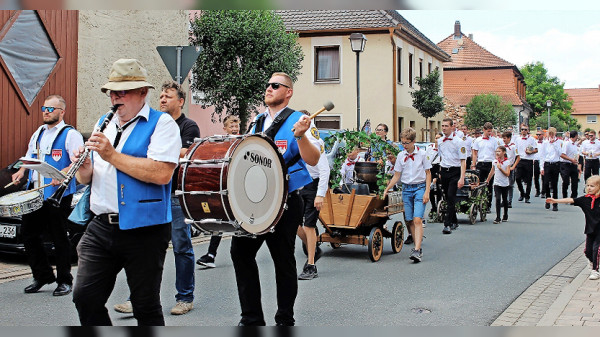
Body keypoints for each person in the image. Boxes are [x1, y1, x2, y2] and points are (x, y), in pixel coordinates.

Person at [71, 58, 181, 326]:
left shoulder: (162, 124)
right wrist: (84, 167)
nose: (116, 98)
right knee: (85, 296)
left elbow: (161, 173)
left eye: (124, 91)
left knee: (145, 305)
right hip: (101, 225)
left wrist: (110, 155)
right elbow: (87, 178)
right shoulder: (103, 122)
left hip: (145, 228)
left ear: (143, 93)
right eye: (113, 92)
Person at [230, 72, 320, 326]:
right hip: (257, 202)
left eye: (275, 85)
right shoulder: (257, 122)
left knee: (283, 260)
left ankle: (285, 318)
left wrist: (301, 136)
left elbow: (313, 159)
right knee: (240, 252)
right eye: (268, 85)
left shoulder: (300, 120)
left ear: (288, 92)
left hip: (286, 201)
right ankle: (251, 318)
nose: (269, 88)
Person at [113, 80, 200, 316]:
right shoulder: (151, 124)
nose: (162, 100)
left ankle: (185, 297)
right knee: (144, 249)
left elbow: (186, 153)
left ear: (180, 102)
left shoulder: (188, 126)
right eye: (161, 96)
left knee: (182, 247)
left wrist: (161, 151)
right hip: (150, 195)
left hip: (175, 195)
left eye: (168, 96)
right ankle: (137, 297)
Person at [11, 95, 84, 296]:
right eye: (44, 108)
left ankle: (64, 280)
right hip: (35, 194)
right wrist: (21, 171)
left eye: (51, 109)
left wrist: (61, 175)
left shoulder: (70, 134)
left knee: (59, 237)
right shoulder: (38, 133)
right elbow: (29, 157)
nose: (46, 111)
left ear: (62, 111)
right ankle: (42, 275)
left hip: (58, 194)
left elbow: (77, 162)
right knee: (29, 234)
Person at [196, 114, 240, 269]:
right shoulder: (221, 144)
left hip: (239, 187)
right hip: (225, 186)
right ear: (225, 129)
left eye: (236, 126)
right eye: (231, 127)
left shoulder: (243, 142)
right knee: (221, 218)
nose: (235, 129)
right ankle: (211, 255)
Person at [383, 128, 431, 262]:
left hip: (420, 188)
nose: (404, 146)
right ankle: (417, 247)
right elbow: (397, 175)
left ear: (414, 141)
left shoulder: (422, 154)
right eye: (402, 143)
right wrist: (388, 188)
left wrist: (427, 191)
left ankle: (416, 249)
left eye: (407, 143)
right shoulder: (400, 156)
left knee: (417, 219)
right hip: (406, 189)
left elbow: (428, 173)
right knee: (409, 220)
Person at [546, 175, 600, 280]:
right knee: (588, 251)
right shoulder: (585, 200)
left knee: (596, 249)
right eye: (588, 185)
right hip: (590, 229)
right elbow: (571, 199)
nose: (589, 188)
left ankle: (595, 270)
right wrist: (555, 201)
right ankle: (593, 261)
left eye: (592, 186)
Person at [297, 120, 330, 280]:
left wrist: (320, 194)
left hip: (312, 185)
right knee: (295, 226)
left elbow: (325, 169)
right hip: (298, 185)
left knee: (309, 226)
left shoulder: (315, 141)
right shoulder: (296, 139)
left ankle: (311, 265)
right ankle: (314, 248)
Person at [437, 118, 467, 234]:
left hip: (455, 171)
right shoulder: (440, 141)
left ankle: (447, 224)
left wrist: (462, 177)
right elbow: (441, 157)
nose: (444, 128)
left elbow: (463, 160)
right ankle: (454, 220)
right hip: (444, 170)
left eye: (446, 126)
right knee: (447, 197)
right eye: (442, 126)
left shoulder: (459, 141)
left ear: (452, 127)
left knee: (450, 196)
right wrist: (440, 171)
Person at [471, 122, 498, 210]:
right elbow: (475, 153)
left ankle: (488, 205)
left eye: (490, 131)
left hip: (490, 163)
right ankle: (478, 203)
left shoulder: (494, 140)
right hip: (481, 163)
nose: (489, 133)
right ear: (484, 130)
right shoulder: (478, 140)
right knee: (478, 184)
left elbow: (496, 153)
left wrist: (496, 164)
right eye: (488, 131)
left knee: (489, 184)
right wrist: (473, 165)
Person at [485, 146, 511, 224]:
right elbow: (492, 171)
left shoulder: (507, 162)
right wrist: (488, 180)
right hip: (497, 183)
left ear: (504, 152)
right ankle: (498, 217)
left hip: (505, 184)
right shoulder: (494, 161)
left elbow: (507, 174)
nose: (497, 153)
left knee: (505, 199)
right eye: (496, 151)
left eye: (499, 151)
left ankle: (505, 214)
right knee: (498, 199)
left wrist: (500, 168)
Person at [540, 127, 563, 212]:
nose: (551, 135)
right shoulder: (545, 143)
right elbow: (542, 155)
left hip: (555, 163)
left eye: (553, 134)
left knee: (554, 184)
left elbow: (560, 153)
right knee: (546, 183)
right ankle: (548, 199)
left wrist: (554, 144)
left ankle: (555, 203)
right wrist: (541, 167)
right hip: (547, 164)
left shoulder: (559, 142)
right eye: (550, 134)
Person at [515, 124, 538, 203]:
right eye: (522, 129)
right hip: (520, 160)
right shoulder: (517, 139)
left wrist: (530, 152)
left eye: (525, 129)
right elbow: (515, 150)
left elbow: (536, 150)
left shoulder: (532, 139)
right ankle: (522, 193)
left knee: (529, 179)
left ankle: (527, 196)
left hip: (528, 160)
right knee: (517, 178)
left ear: (528, 131)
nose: (523, 131)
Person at [559, 130, 581, 199]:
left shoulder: (575, 144)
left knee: (575, 181)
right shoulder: (567, 143)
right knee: (566, 181)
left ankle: (574, 197)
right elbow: (562, 155)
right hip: (566, 164)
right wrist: (571, 159)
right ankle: (565, 196)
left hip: (573, 165)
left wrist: (576, 162)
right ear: (575, 136)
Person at [501, 131, 520, 208]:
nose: (504, 140)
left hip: (510, 166)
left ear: (509, 138)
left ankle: (509, 201)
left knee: (510, 185)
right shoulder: (502, 146)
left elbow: (518, 157)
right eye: (503, 138)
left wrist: (513, 166)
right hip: (503, 167)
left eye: (505, 138)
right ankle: (504, 200)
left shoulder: (513, 146)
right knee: (503, 184)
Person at [533, 130, 544, 197]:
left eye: (540, 134)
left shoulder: (545, 143)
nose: (538, 136)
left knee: (544, 177)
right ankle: (537, 190)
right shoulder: (535, 142)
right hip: (536, 160)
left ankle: (543, 191)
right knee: (536, 177)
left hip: (543, 161)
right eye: (537, 134)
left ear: (543, 135)